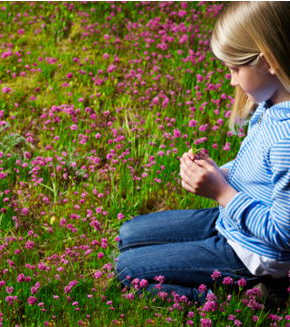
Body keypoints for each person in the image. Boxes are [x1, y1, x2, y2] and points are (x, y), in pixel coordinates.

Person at [116, 2, 290, 306]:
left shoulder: (287, 138)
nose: (232, 80)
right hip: (232, 220)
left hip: (253, 250)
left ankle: (246, 297)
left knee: (128, 272)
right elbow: (262, 171)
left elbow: (282, 234)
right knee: (127, 234)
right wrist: (219, 173)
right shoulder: (271, 102)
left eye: (236, 69)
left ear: (266, 62)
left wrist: (221, 193)